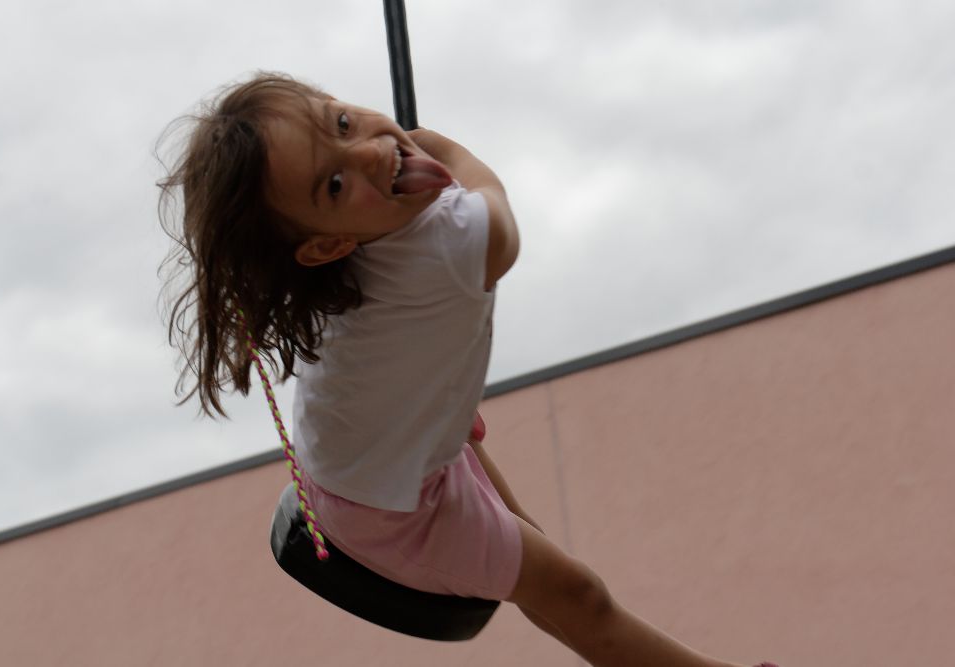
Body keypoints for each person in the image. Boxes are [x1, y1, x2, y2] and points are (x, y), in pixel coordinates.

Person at [159, 71, 778, 667]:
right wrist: (450, 153)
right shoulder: (450, 243)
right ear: (325, 244)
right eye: (337, 184)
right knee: (576, 592)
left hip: (377, 456)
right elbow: (501, 229)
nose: (369, 152)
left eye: (342, 122)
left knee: (542, 562)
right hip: (396, 512)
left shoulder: (344, 255)